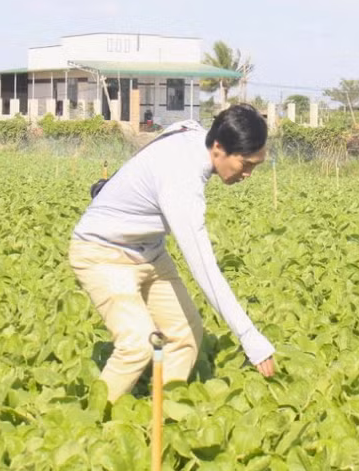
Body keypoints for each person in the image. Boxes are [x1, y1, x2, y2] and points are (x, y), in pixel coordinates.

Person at [69, 103, 276, 400]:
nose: (248, 174)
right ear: (219, 148)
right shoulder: (183, 182)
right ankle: (93, 419)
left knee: (186, 333)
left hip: (149, 252)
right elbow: (205, 269)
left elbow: (178, 129)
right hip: (103, 252)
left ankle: (163, 410)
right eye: (246, 164)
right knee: (137, 344)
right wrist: (249, 336)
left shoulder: (195, 135)